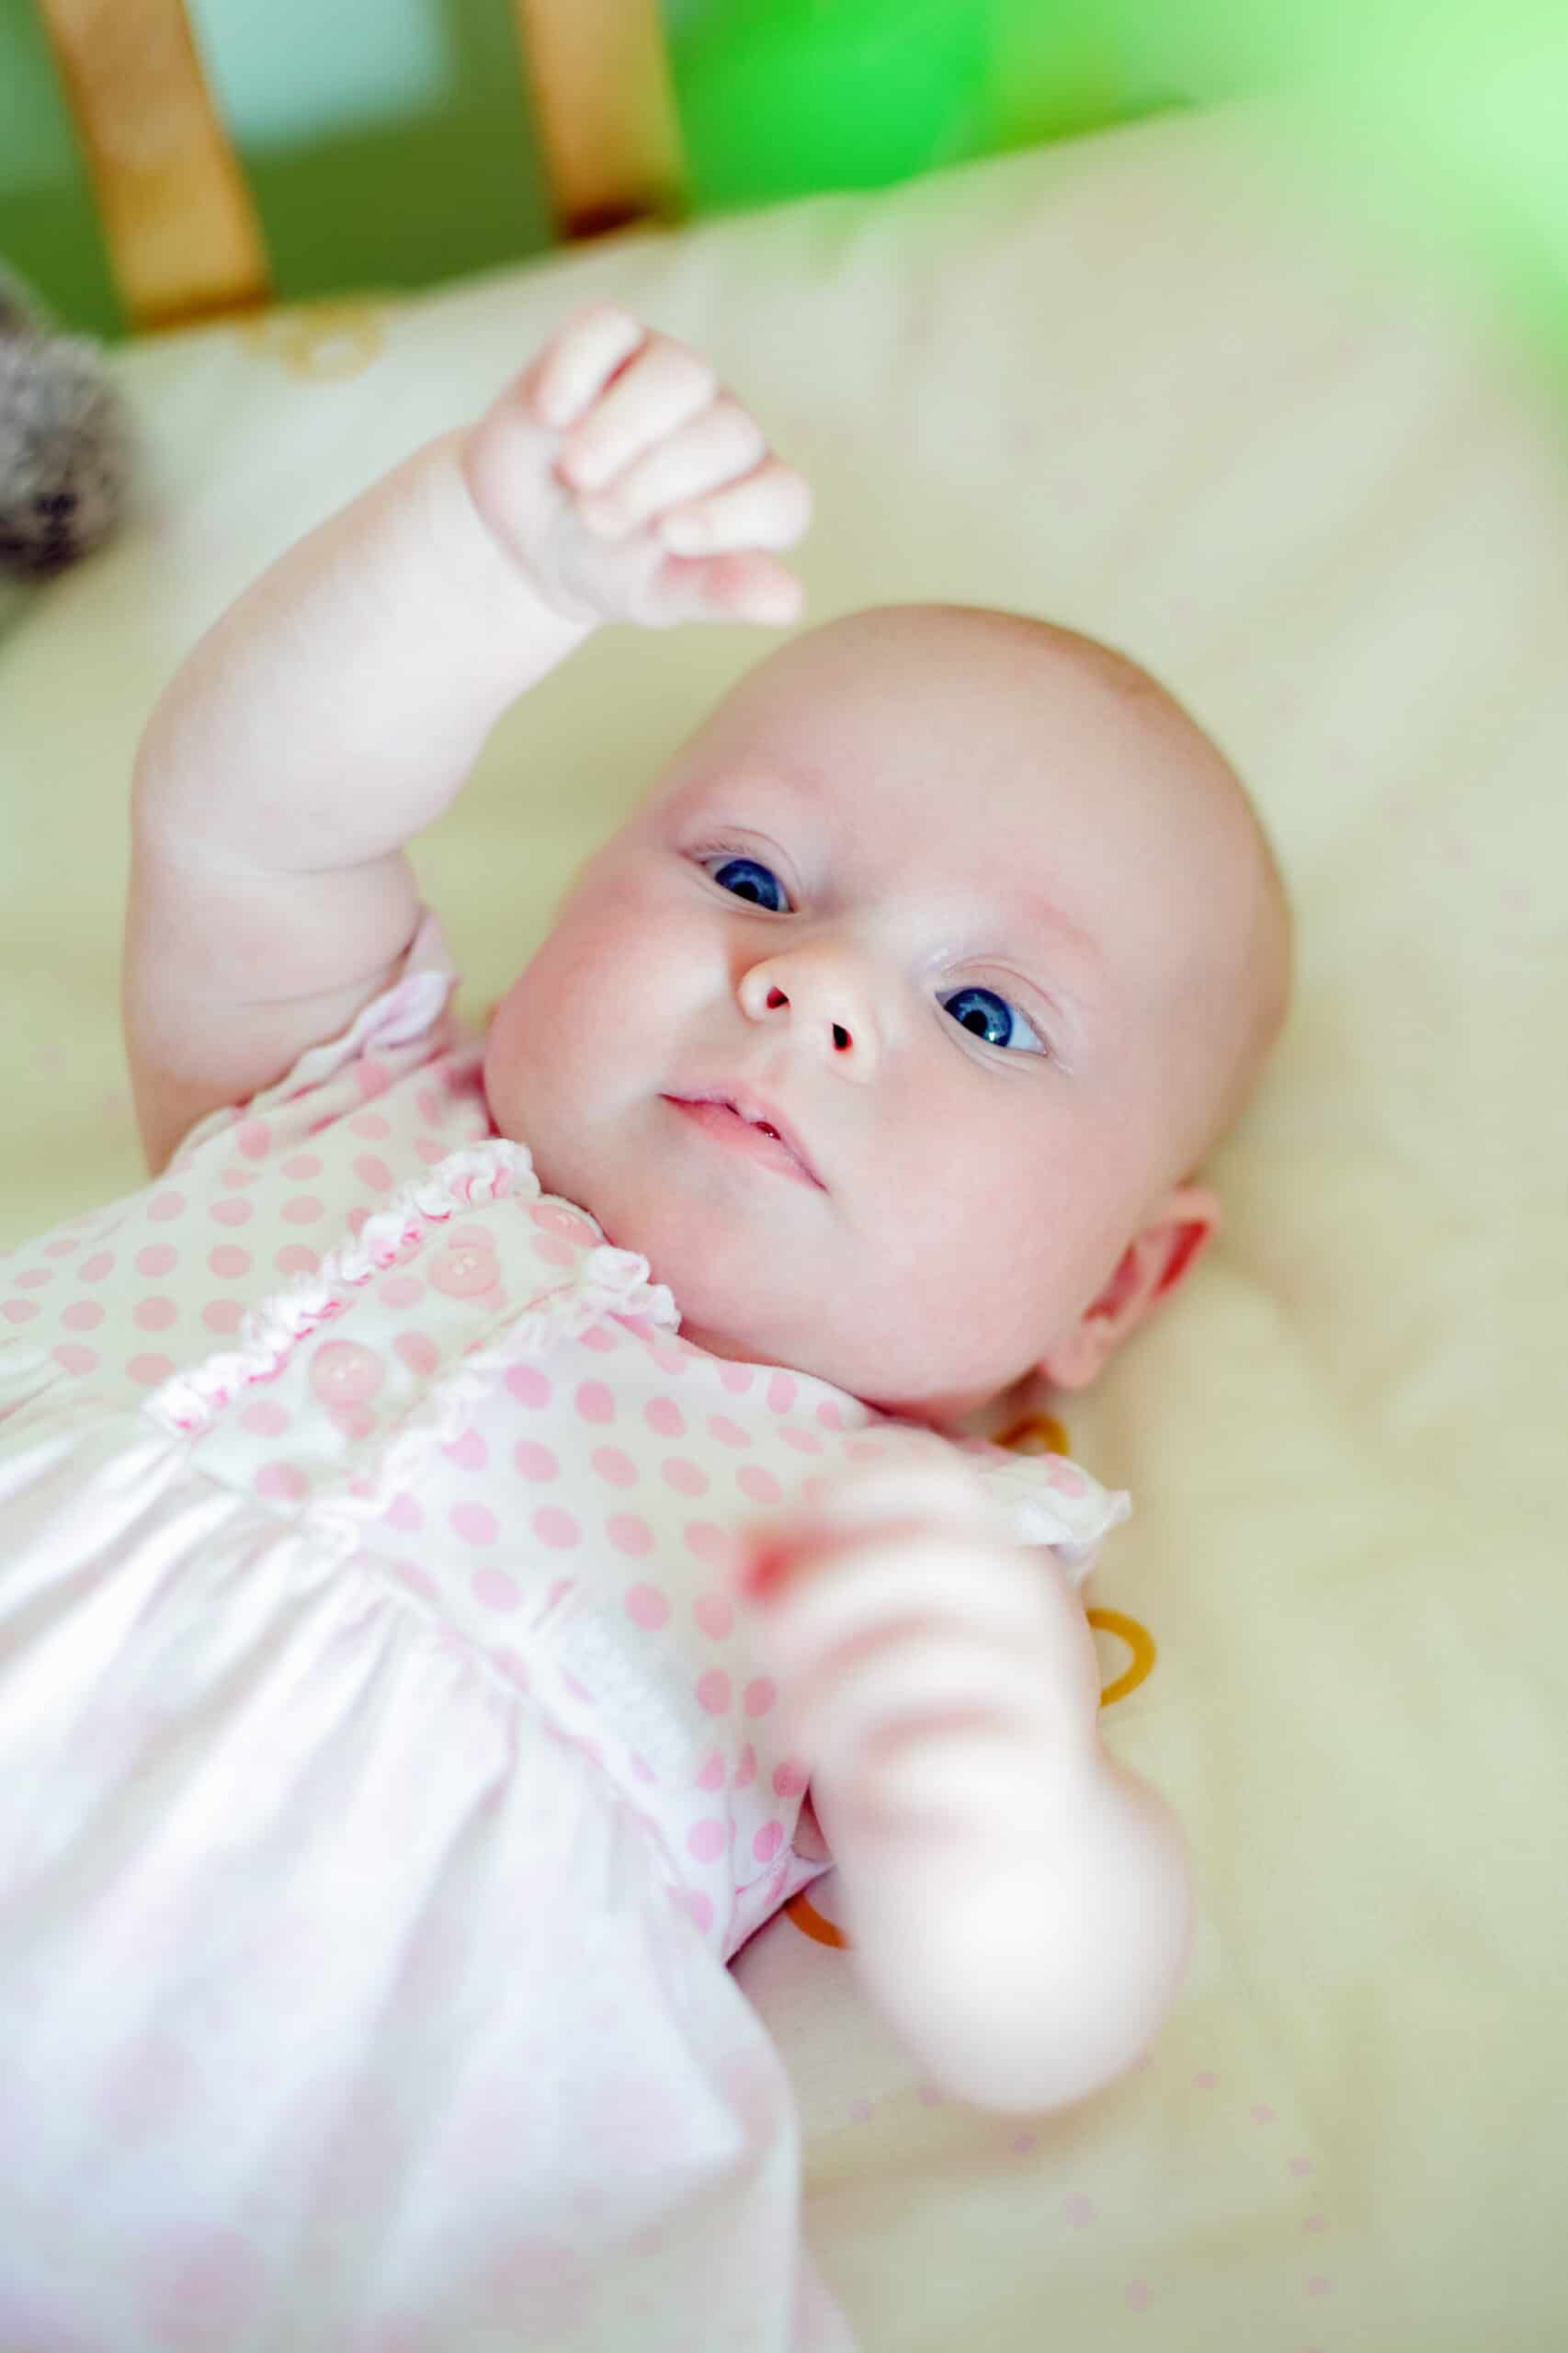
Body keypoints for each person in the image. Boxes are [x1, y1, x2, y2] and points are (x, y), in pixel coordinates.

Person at [0, 305, 1292, 2350]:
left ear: (1112, 1287)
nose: (817, 985)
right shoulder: (334, 1093)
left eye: (985, 1014)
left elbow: (1060, 2012)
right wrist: (493, 560)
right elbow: (250, 805)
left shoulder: (907, 1538)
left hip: (296, 2137)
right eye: (753, 871)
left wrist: (996, 1803)